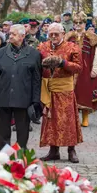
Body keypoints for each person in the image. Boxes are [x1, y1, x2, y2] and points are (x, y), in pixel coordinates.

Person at [0, 24, 41, 153]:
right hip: (4, 96)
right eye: (10, 33)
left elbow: (36, 80)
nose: (10, 36)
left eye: (13, 34)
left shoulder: (34, 54)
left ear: (23, 36)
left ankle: (21, 153)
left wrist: (35, 100)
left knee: (22, 129)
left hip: (23, 98)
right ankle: (2, 153)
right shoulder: (1, 52)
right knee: (2, 130)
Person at [38, 23, 83, 163]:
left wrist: (63, 63)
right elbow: (35, 64)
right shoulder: (42, 47)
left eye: (56, 34)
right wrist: (43, 64)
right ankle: (53, 150)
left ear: (63, 33)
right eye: (50, 34)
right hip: (48, 88)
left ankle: (71, 150)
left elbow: (79, 67)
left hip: (65, 89)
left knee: (67, 120)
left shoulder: (72, 47)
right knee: (50, 120)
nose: (53, 37)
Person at [65, 12, 97, 127]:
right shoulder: (68, 36)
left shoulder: (91, 37)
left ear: (85, 24)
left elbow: (96, 55)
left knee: (84, 93)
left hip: (85, 70)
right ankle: (74, 118)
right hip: (71, 69)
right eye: (75, 22)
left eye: (80, 23)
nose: (78, 25)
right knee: (72, 93)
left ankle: (85, 117)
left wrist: (94, 69)